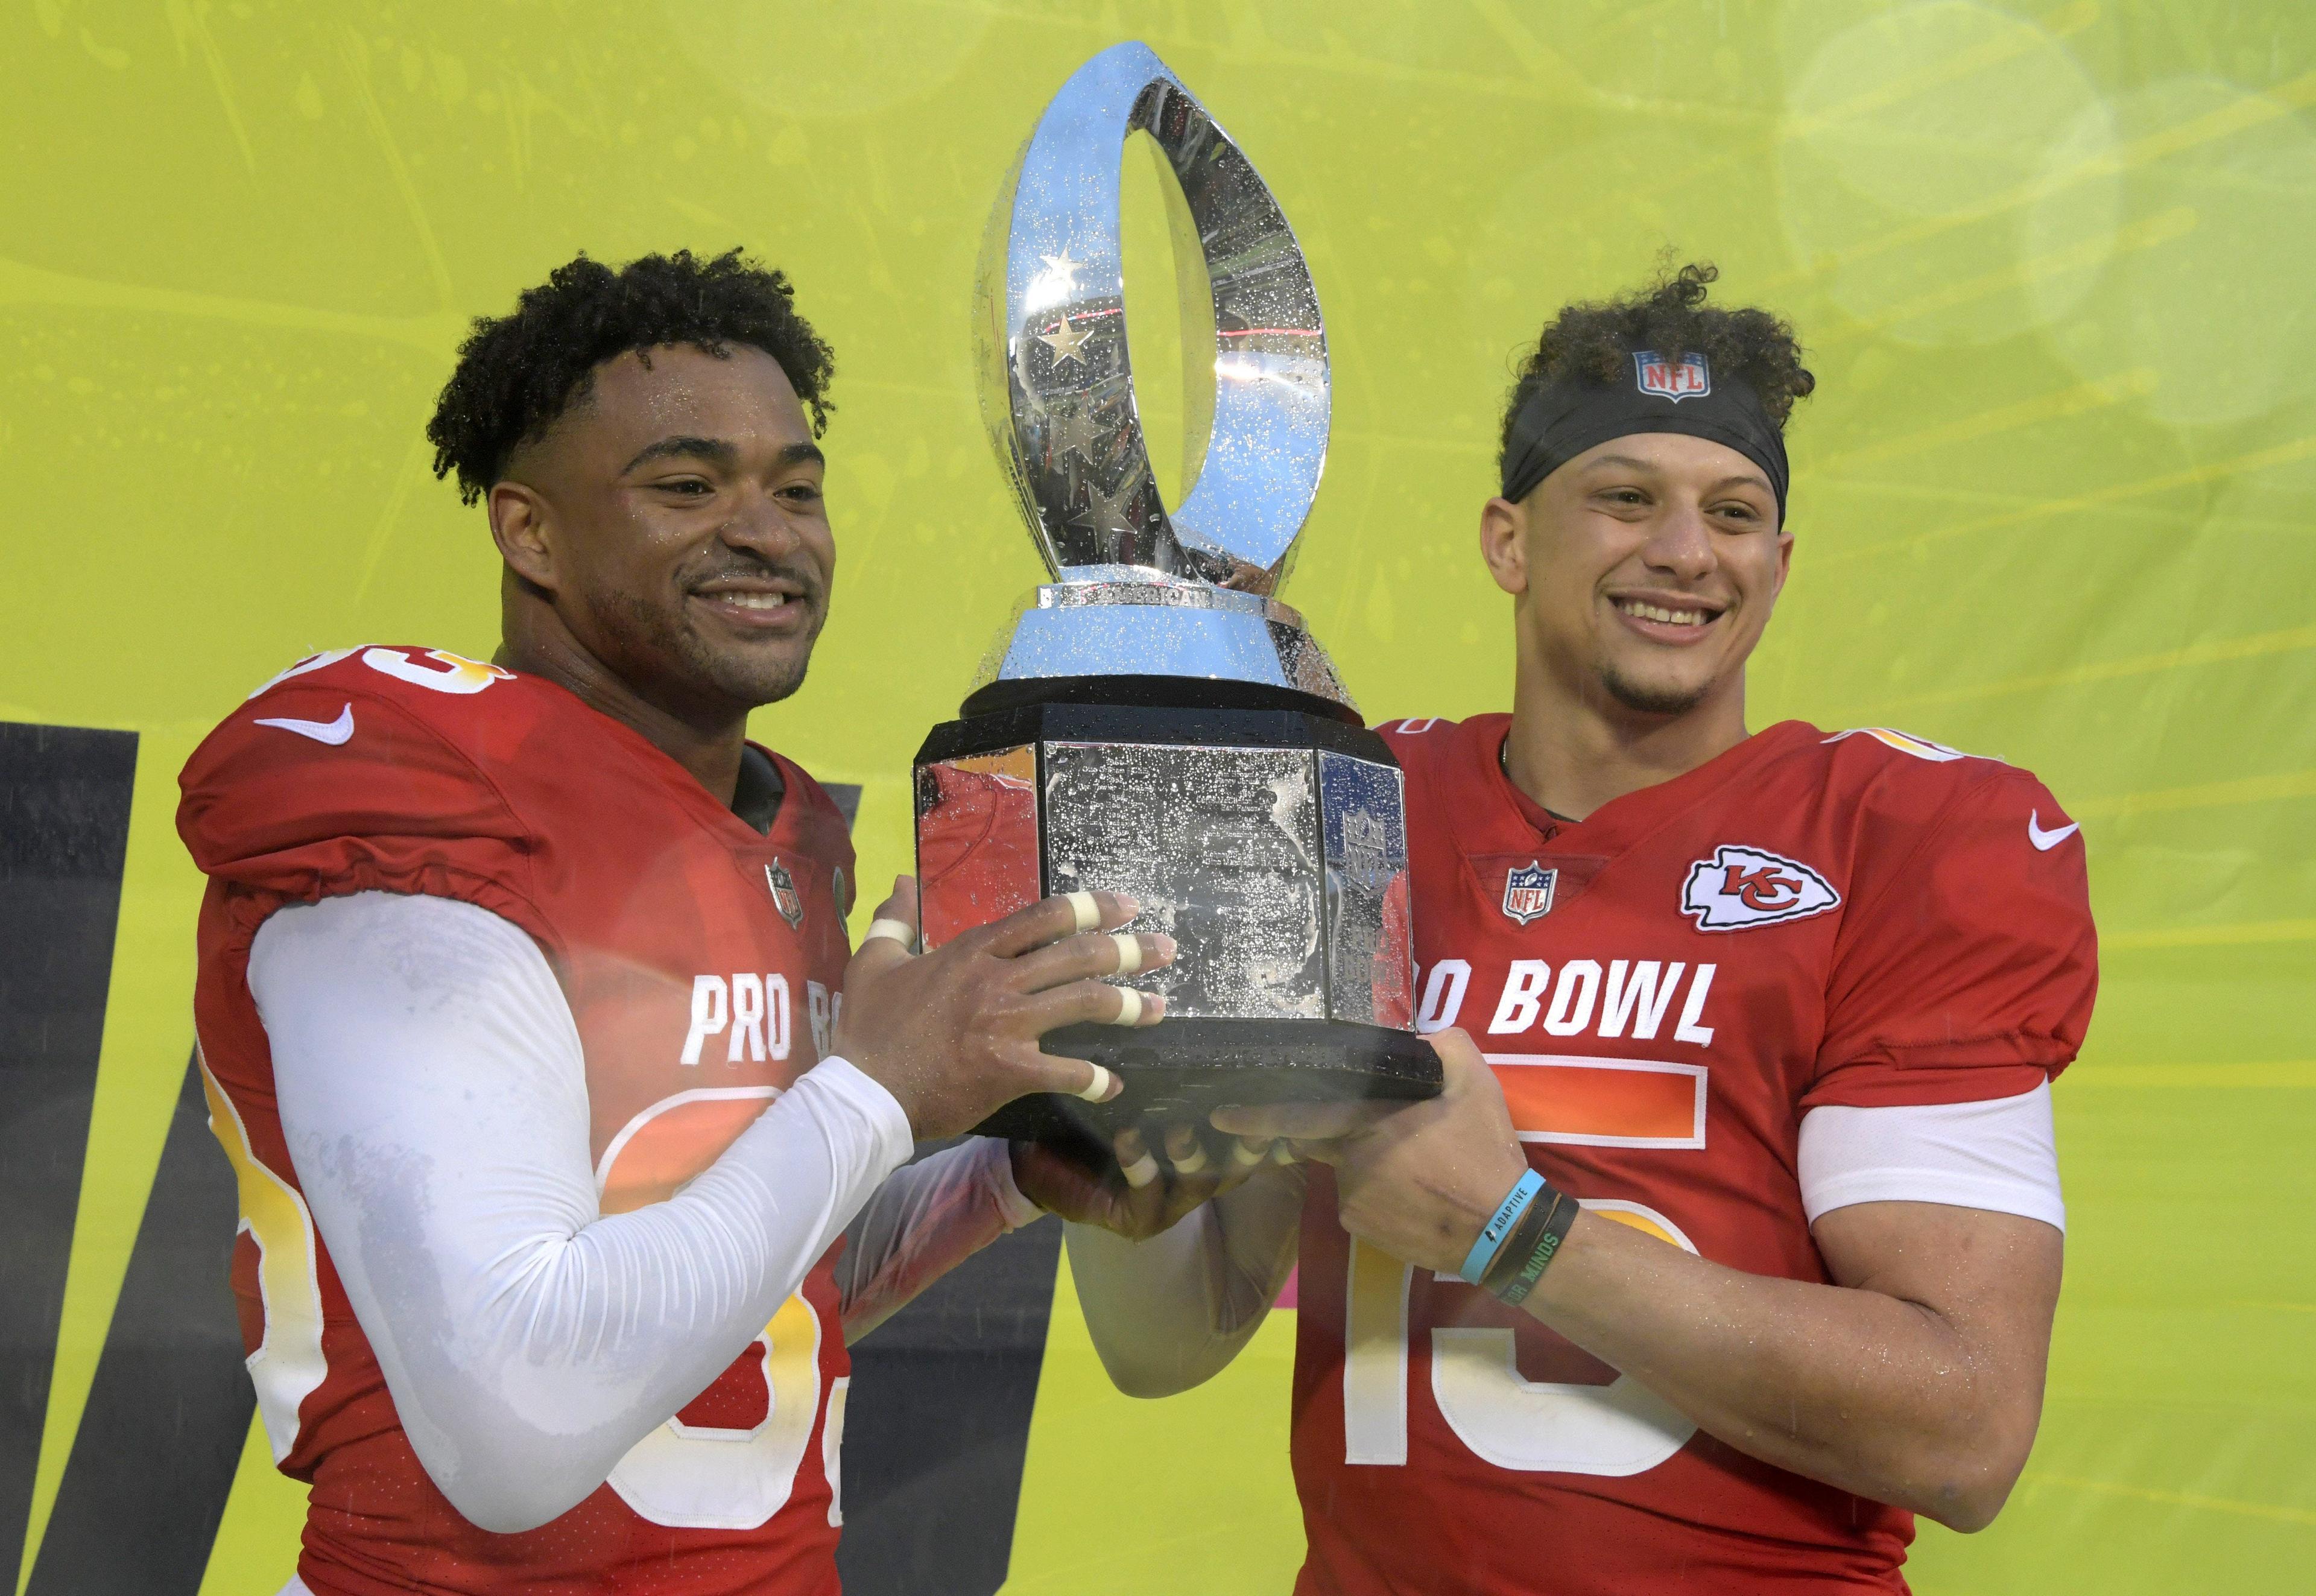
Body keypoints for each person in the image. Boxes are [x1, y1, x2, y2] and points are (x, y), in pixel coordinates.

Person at [1065, 263, 2098, 1592]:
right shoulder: (1338, 815)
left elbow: (1964, 1431)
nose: (1686, 551)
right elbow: (1174, 1339)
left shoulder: (1899, 835)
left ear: (1778, 565)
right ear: (1508, 539)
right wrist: (1091, 1125)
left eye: (1734, 513)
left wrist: (1514, 1233)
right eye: (1626, 499)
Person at [177, 249, 1195, 1596]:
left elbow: (745, 1301)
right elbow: (517, 1423)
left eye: (798, 488)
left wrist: (996, 1179)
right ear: (528, 530)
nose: (767, 531)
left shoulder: (775, 834)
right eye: (688, 485)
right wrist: (881, 1088)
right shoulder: (422, 815)